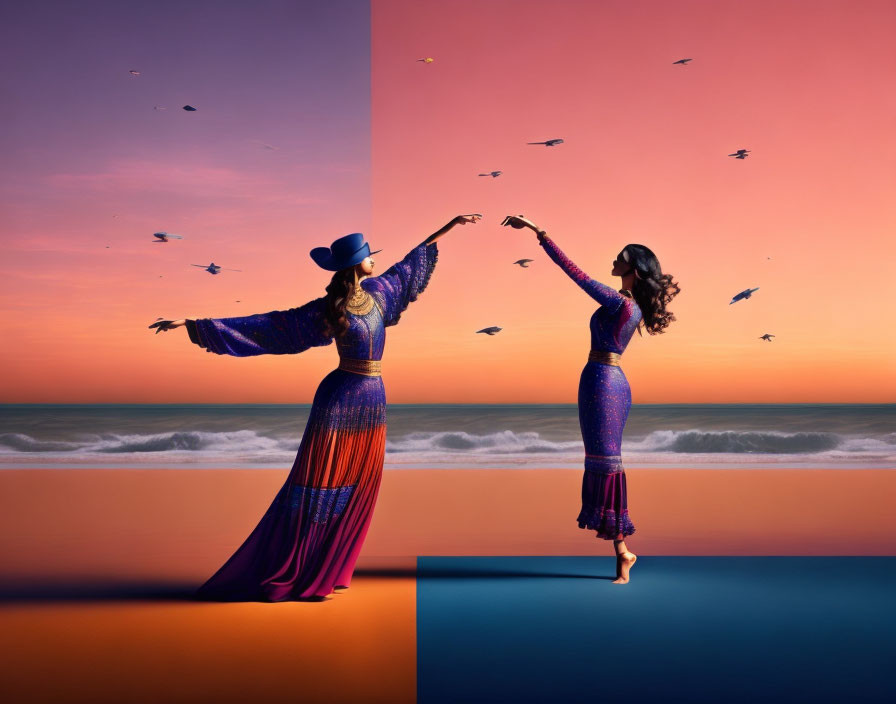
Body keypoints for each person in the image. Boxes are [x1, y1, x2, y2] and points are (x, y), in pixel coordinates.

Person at [150, 215, 480, 600]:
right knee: (321, 483)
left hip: (374, 400)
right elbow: (273, 326)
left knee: (358, 485)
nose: (374, 258)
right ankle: (300, 565)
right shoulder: (328, 309)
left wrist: (450, 227)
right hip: (338, 401)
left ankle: (330, 566)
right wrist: (195, 325)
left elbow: (410, 263)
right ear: (356, 264)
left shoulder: (381, 292)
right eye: (368, 254)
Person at [502, 215, 680, 584]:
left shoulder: (621, 305)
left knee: (607, 462)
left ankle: (623, 553)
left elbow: (576, 274)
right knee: (602, 460)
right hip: (601, 380)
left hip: (604, 383)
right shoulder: (631, 306)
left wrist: (539, 232)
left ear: (631, 268)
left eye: (620, 258)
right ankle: (622, 552)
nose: (613, 260)